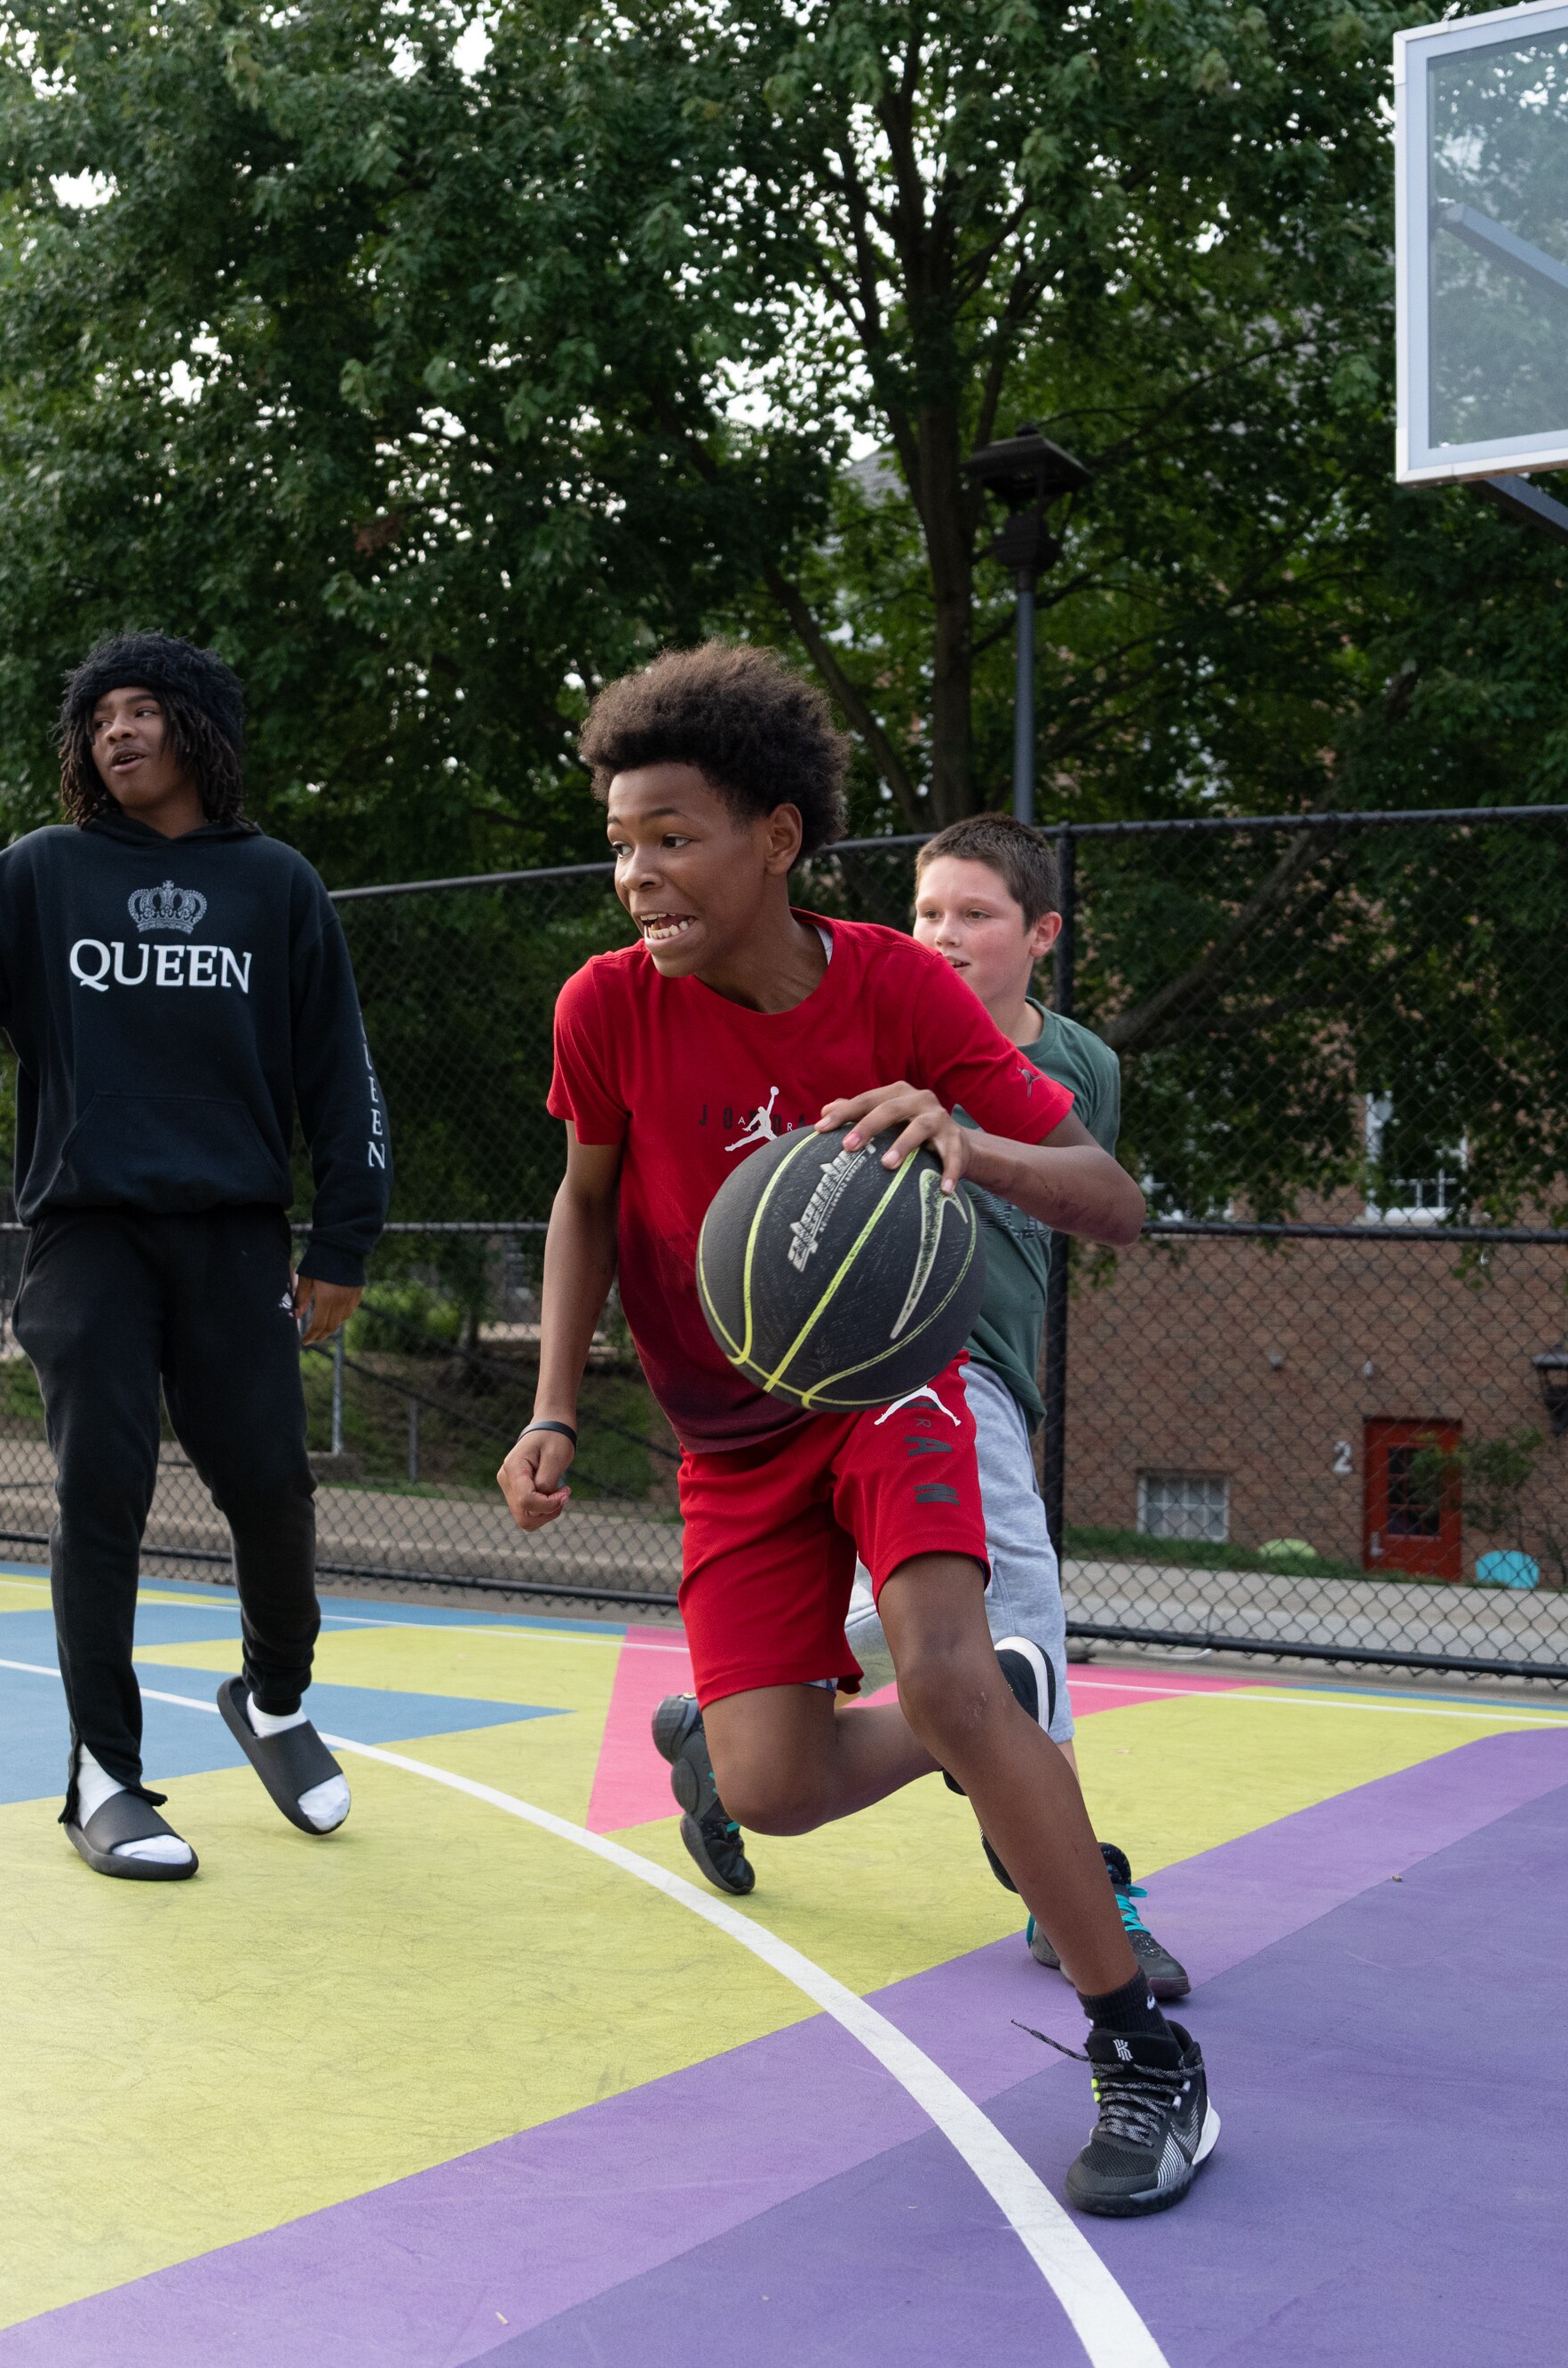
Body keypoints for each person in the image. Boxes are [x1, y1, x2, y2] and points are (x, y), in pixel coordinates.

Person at [495, 643, 1219, 2220]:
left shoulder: (895, 988)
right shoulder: (606, 1009)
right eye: (621, 842)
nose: (637, 874)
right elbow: (582, 1200)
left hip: (891, 1385)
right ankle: (977, 1707)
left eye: (672, 836)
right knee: (769, 1785)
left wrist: (968, 1136)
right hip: (729, 1441)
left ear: (776, 835)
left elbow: (1117, 1204)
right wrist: (555, 1403)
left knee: (952, 1678)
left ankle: (1140, 2051)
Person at [0, 631, 390, 1881]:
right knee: (99, 1494)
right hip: (88, 1235)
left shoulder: (279, 885)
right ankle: (105, 1777)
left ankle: (272, 1700)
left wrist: (346, 1237)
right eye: (99, 715)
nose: (117, 732)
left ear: (199, 727)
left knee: (271, 1485)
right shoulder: (44, 873)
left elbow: (342, 1077)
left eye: (145, 709)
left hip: (235, 1236)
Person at [835, 816, 1191, 2000]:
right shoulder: (878, 1035)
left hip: (998, 1364)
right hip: (906, 1354)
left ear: (1039, 934)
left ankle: (714, 1714)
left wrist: (983, 1147)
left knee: (911, 1609)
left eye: (973, 915)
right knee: (1023, 1603)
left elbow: (1087, 1200)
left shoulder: (1085, 1068)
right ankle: (1070, 1883)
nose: (940, 936)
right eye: (926, 912)